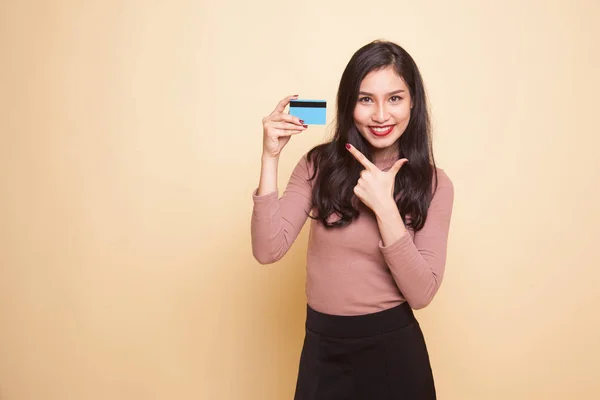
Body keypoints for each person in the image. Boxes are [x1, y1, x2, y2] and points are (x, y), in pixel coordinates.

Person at [251, 40, 454, 399]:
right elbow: (268, 250)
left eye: (394, 98)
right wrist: (269, 159)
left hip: (394, 354)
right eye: (366, 99)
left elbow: (422, 293)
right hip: (322, 349)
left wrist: (385, 208)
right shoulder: (317, 166)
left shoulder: (435, 184)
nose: (380, 115)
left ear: (413, 103)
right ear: (349, 104)